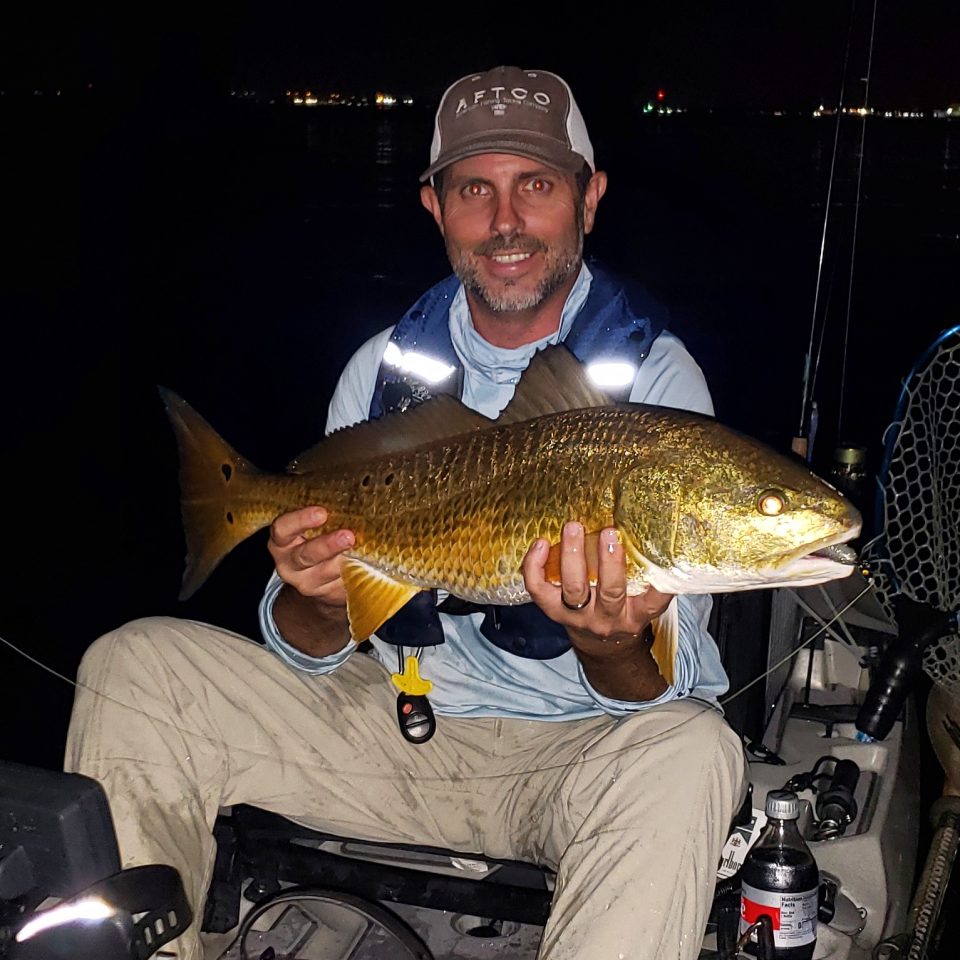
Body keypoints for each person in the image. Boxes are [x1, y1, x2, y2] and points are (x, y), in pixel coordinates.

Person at [66, 65, 747, 960]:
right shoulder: (380, 369)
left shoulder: (658, 383)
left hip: (572, 759)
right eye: (474, 190)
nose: (506, 221)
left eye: (537, 185)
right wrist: (312, 594)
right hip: (393, 728)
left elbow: (658, 689)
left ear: (590, 198)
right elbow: (312, 646)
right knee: (133, 667)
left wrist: (610, 643)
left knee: (695, 752)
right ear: (435, 207)